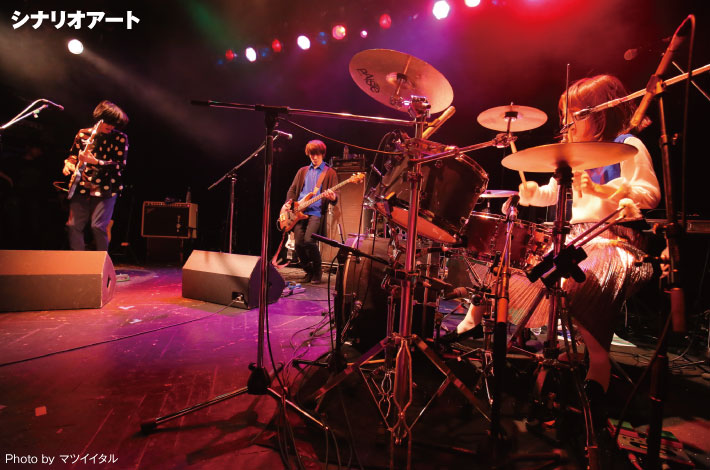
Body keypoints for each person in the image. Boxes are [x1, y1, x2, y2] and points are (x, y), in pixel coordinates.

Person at [518, 74, 660, 426]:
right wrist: (533, 194)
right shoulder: (570, 154)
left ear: (600, 114)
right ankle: (554, 361)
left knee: (585, 278)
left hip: (617, 240)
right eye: (564, 114)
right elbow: (554, 192)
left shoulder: (627, 145)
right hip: (575, 240)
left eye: (575, 114)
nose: (566, 122)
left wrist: (601, 191)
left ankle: (597, 367)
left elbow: (649, 194)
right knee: (525, 278)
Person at [62, 100, 129, 251]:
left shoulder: (120, 138)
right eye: (108, 122)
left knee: (98, 226)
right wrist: (69, 164)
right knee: (73, 225)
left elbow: (120, 165)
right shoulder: (83, 134)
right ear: (100, 118)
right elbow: (73, 155)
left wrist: (96, 162)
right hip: (82, 185)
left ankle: (101, 262)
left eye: (114, 124)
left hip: (106, 186)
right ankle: (78, 261)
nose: (111, 126)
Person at [281, 140, 338, 284]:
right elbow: (293, 189)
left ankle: (317, 271)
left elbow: (335, 195)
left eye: (317, 154)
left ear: (323, 154)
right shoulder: (303, 171)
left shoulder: (329, 173)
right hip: (299, 211)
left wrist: (333, 197)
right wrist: (289, 203)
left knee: (309, 240)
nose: (314, 157)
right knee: (298, 244)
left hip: (316, 212)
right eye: (312, 154)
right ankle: (309, 270)